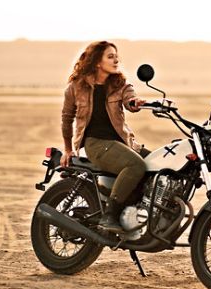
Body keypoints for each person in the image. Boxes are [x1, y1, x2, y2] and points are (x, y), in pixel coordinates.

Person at [59, 41, 147, 233]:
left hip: (123, 143)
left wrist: (135, 102)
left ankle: (139, 213)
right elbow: (67, 119)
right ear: (97, 61)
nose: (116, 60)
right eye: (110, 56)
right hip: (95, 144)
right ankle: (110, 215)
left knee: (161, 163)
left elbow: (130, 99)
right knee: (136, 166)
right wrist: (67, 150)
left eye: (116, 56)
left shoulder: (120, 84)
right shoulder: (76, 87)